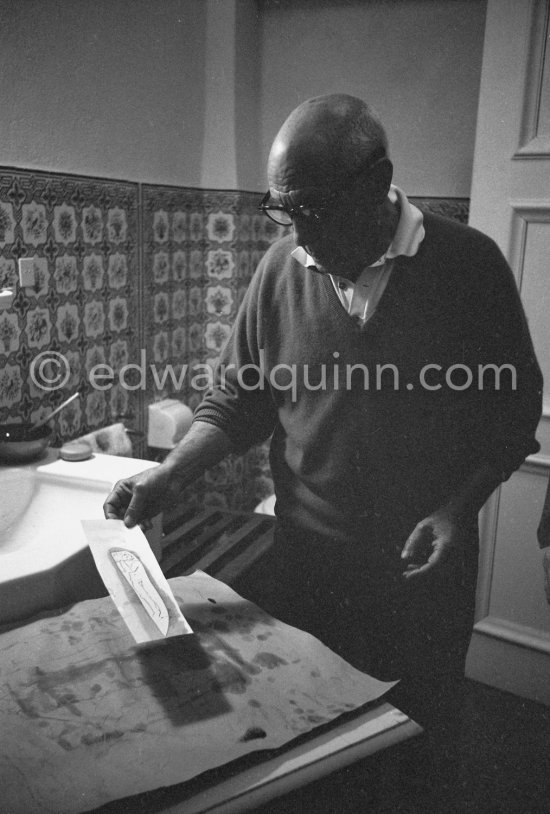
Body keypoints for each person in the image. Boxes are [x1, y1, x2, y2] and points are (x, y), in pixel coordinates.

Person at [104, 94, 542, 730]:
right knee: (309, 738)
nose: (298, 234)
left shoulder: (468, 267)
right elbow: (236, 401)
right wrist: (169, 474)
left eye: (312, 209)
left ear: (379, 184)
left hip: (422, 569)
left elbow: (513, 415)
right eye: (284, 210)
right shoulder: (282, 267)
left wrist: (457, 508)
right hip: (307, 561)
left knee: (417, 738)